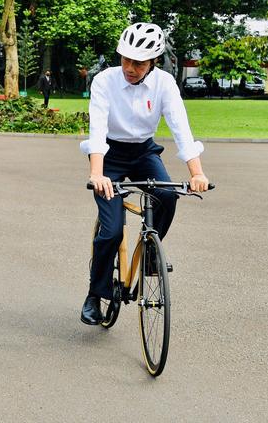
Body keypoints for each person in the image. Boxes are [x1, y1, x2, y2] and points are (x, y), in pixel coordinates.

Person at [79, 22, 209, 325]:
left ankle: (152, 251)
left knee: (167, 195)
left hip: (143, 152)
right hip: (109, 156)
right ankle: (94, 295)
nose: (130, 67)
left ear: (153, 63)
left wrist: (197, 173)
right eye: (125, 59)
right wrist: (97, 174)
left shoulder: (164, 84)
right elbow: (97, 129)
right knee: (110, 231)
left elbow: (181, 128)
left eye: (138, 62)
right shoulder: (104, 81)